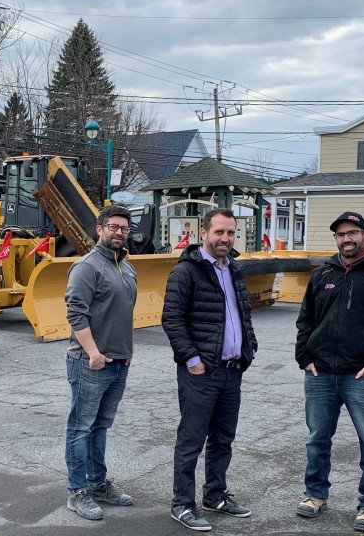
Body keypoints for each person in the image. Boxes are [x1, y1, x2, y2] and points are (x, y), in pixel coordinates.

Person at [294, 211, 364, 533]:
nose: (347, 239)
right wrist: (304, 356)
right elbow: (306, 320)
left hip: (362, 376)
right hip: (320, 375)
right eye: (341, 234)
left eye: (353, 233)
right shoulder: (322, 274)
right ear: (336, 239)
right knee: (317, 439)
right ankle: (315, 494)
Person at [162, 207, 258, 532]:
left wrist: (249, 349)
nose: (225, 238)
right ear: (204, 233)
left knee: (223, 439)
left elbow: (243, 314)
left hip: (232, 370)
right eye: (219, 232)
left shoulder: (235, 269)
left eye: (230, 233)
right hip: (201, 373)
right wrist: (192, 359)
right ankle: (182, 504)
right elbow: (172, 320)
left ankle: (215, 495)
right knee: (191, 440)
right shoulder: (186, 271)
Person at [63, 203, 138, 521]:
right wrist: (93, 353)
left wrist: (126, 353)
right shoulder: (87, 266)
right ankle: (77, 492)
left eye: (124, 228)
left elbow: (123, 312)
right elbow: (75, 312)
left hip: (119, 362)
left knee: (100, 427)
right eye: (114, 227)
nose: (119, 233)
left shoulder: (127, 266)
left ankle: (97, 484)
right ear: (100, 229)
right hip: (90, 362)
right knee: (81, 428)